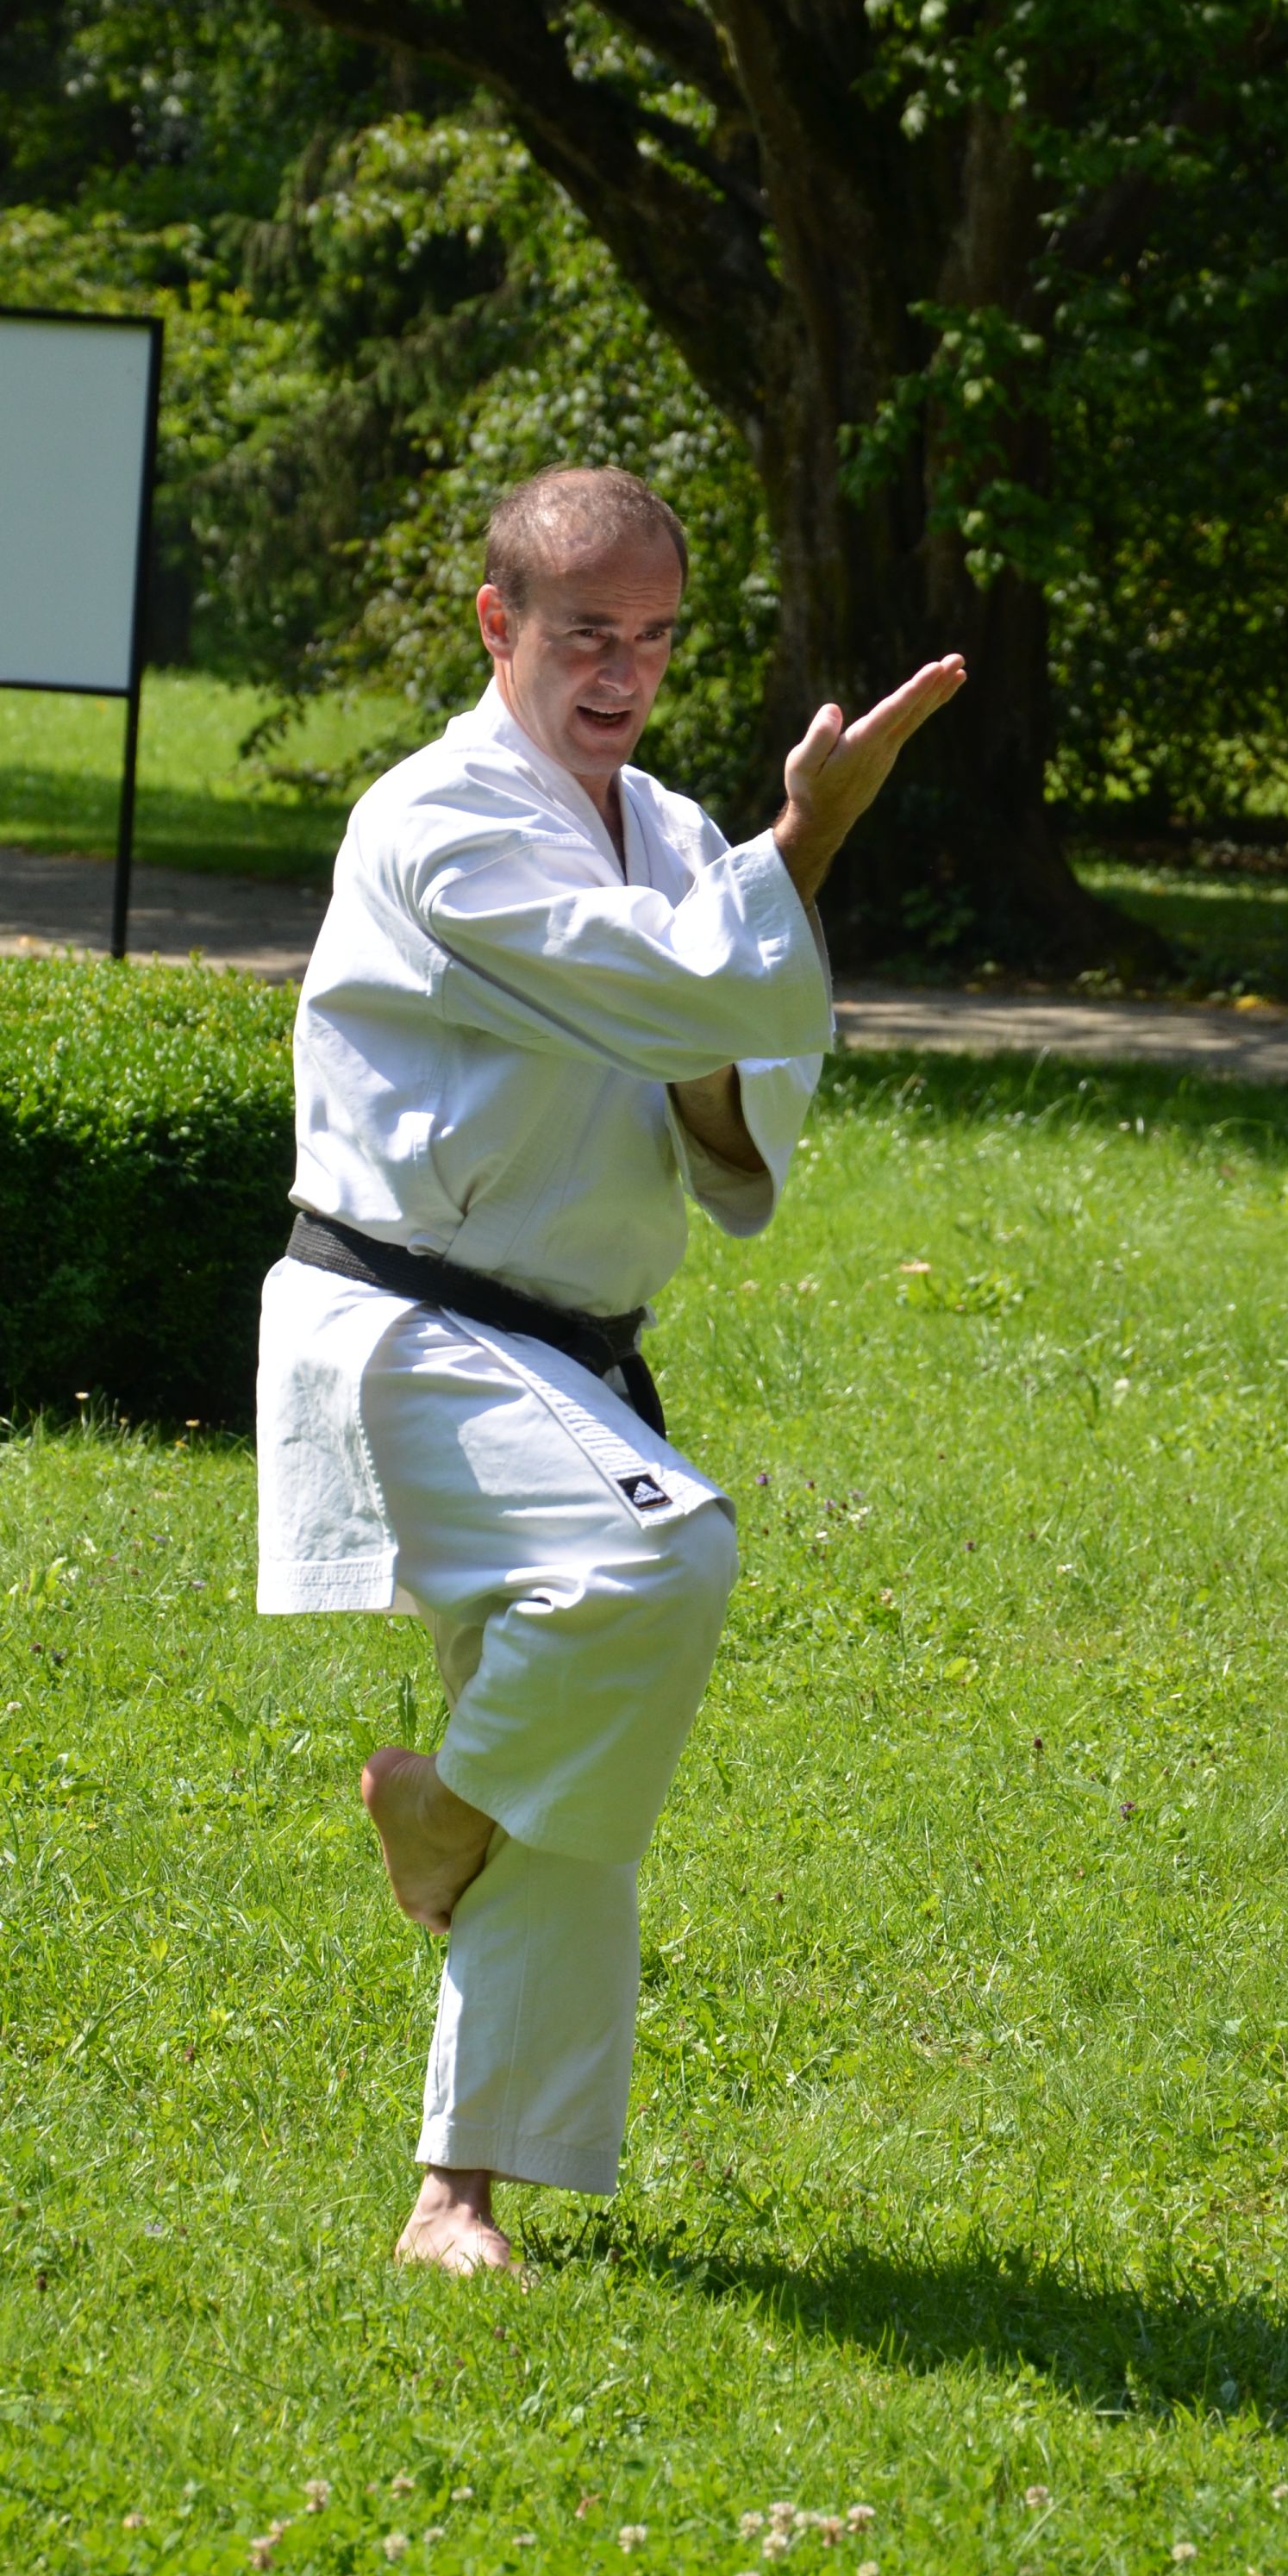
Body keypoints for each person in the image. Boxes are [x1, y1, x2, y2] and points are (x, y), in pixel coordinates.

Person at [255, 464, 965, 2271]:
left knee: (579, 1756)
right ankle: (444, 1814)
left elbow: (725, 1091)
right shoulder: (439, 823)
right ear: (498, 624)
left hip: (559, 1353)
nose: (622, 673)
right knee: (657, 1558)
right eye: (586, 634)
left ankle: (456, 2197)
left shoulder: (663, 828)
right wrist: (807, 840)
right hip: (408, 1327)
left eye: (653, 638)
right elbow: (679, 988)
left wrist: (750, 901)